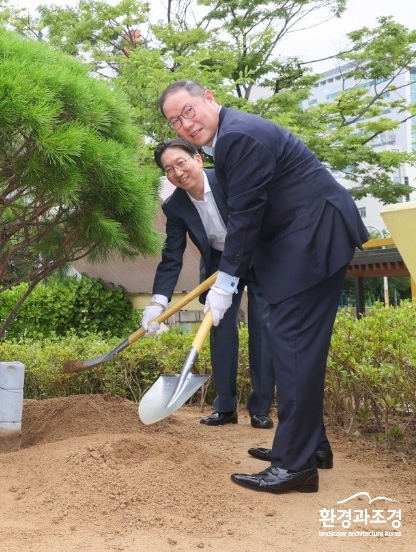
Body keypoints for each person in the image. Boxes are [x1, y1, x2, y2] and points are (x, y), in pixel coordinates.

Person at [158, 79, 367, 494]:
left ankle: (296, 465)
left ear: (209, 100)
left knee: (290, 349)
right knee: (299, 353)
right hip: (304, 242)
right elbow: (251, 215)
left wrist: (227, 281)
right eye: (174, 121)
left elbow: (247, 215)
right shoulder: (231, 137)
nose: (185, 124)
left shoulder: (237, 138)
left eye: (188, 111)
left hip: (312, 241)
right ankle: (311, 447)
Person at [142, 139, 276, 430]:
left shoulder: (229, 179)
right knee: (219, 329)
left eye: (181, 162)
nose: (177, 171)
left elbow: (255, 219)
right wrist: (158, 302)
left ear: (198, 158)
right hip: (218, 262)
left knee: (263, 328)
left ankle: (261, 408)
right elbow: (171, 257)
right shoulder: (174, 205)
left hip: (259, 255)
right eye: (169, 169)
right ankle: (226, 407)